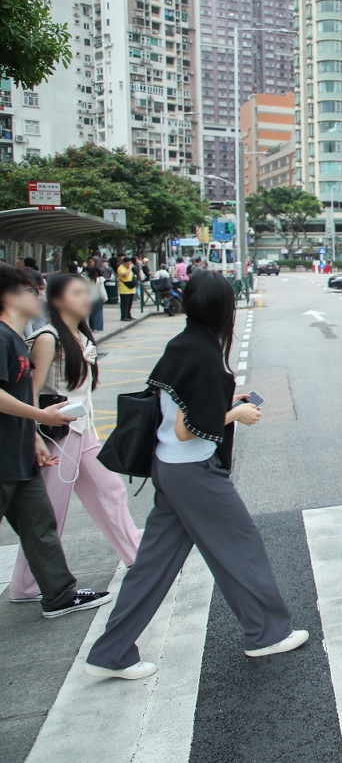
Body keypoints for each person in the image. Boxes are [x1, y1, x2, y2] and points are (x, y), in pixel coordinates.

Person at [86, 271, 308, 681]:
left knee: (152, 565)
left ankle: (112, 650)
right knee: (241, 546)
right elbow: (187, 428)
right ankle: (266, 633)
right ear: (225, 309)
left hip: (169, 468)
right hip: (193, 472)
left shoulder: (182, 344)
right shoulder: (205, 355)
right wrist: (236, 413)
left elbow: (179, 406)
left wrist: (224, 400)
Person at [9, 274, 142, 601]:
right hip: (57, 436)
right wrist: (33, 436)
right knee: (50, 511)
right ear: (57, 300)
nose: (86, 298)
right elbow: (29, 393)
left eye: (86, 292)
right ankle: (25, 585)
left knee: (110, 490)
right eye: (77, 293)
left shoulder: (81, 336)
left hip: (84, 431)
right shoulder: (48, 339)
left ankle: (137, 557)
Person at [0, 266, 111, 618]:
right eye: (31, 290)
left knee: (40, 525)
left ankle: (58, 595)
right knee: (41, 524)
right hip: (3, 457)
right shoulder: (1, 338)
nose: (39, 296)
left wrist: (32, 436)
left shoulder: (15, 337)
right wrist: (41, 417)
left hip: (18, 454)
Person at [86, 265, 107, 332]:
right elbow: (102, 289)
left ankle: (92, 326)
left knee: (91, 313)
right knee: (98, 313)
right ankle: (97, 327)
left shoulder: (86, 280)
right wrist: (104, 297)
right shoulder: (99, 280)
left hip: (89, 298)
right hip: (98, 298)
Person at [116, 256, 136, 322]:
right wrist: (129, 268)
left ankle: (128, 315)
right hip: (124, 289)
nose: (129, 265)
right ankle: (124, 316)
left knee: (130, 304)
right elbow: (125, 275)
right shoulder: (120, 268)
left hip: (131, 288)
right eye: (128, 263)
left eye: (130, 263)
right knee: (125, 304)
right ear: (124, 263)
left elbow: (133, 275)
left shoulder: (129, 269)